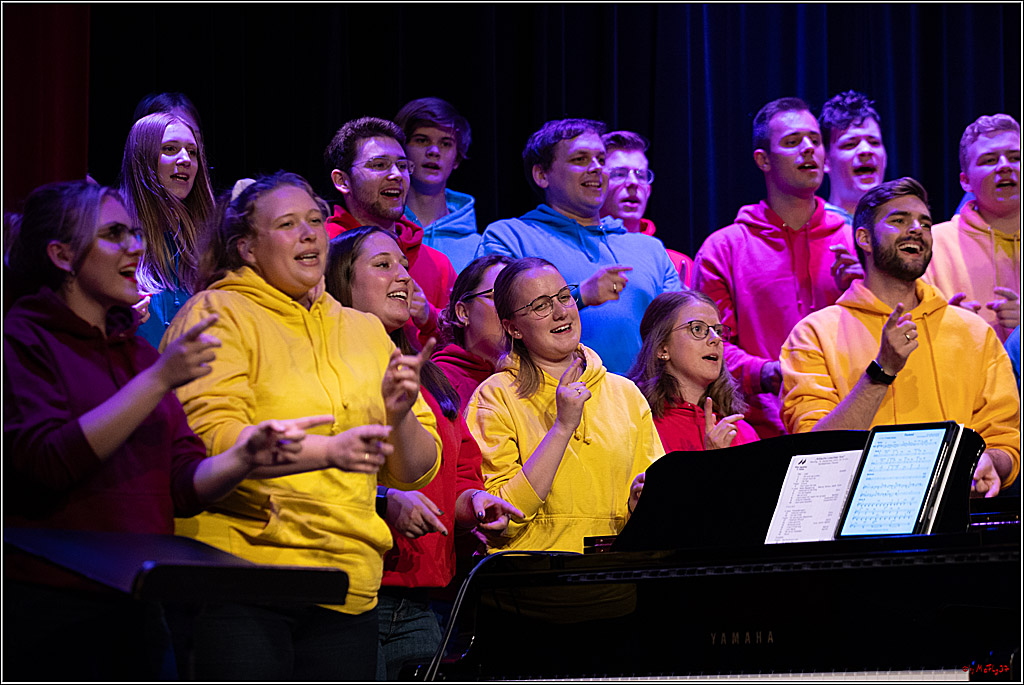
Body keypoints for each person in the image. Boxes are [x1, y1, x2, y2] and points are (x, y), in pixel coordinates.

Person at [3, 180, 329, 681]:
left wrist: (244, 457)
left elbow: (182, 485)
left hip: (140, 604)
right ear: (62, 255)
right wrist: (158, 380)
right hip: (53, 606)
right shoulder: (23, 339)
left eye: (135, 233)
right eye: (114, 234)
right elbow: (47, 461)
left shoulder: (136, 354)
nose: (134, 247)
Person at [162, 172, 442, 680]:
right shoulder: (216, 313)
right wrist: (321, 451)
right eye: (288, 224)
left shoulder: (364, 330)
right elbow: (205, 443)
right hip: (241, 577)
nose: (309, 232)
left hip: (345, 584)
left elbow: (415, 471)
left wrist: (399, 414)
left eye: (314, 219)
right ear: (247, 248)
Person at [325, 226, 521, 680]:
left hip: (423, 596)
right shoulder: (329, 364)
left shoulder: (428, 376)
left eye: (405, 266)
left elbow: (460, 469)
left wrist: (474, 502)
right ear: (341, 281)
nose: (404, 276)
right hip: (354, 587)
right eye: (383, 265)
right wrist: (383, 500)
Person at [780, 177, 1020, 497]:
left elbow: (1005, 439)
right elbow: (815, 452)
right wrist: (881, 371)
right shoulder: (814, 335)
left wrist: (989, 461)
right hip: (855, 518)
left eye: (925, 223)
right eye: (899, 220)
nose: (917, 229)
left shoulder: (974, 333)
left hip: (953, 516)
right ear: (864, 238)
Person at [465, 257, 664, 554]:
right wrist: (562, 427)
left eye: (564, 297)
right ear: (513, 328)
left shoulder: (625, 394)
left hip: (614, 573)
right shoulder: (495, 397)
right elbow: (502, 519)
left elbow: (658, 505)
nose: (560, 313)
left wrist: (640, 506)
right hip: (532, 574)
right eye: (541, 306)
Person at [693, 97, 854, 439]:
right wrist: (765, 372)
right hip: (758, 431)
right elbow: (709, 342)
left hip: (849, 422)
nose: (808, 149)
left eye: (815, 140)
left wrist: (860, 290)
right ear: (763, 160)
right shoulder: (725, 248)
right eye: (793, 141)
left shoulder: (853, 241)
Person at [477, 119, 681, 375]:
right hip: (551, 396)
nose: (596, 168)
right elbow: (492, 325)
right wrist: (580, 296)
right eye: (580, 159)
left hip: (641, 398)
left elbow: (679, 330)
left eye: (601, 159)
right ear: (542, 175)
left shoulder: (649, 248)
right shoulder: (509, 237)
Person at [324, 116, 458, 343]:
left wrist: (430, 318)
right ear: (342, 181)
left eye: (403, 166)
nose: (396, 175)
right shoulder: (322, 252)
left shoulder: (437, 264)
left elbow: (464, 346)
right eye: (379, 165)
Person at [118, 112, 215, 348]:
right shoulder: (115, 242)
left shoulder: (208, 246)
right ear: (143, 159)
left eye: (192, 152)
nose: (185, 159)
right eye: (170, 149)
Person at [923, 114, 1020, 342]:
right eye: (989, 160)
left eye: (1015, 157)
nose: (1005, 166)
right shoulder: (932, 244)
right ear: (965, 181)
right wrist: (944, 324)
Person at [628, 291, 759, 452]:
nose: (716, 339)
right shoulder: (639, 424)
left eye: (718, 331)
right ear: (662, 348)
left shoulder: (742, 432)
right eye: (697, 329)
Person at [395, 97, 480, 273]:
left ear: (457, 158)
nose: (433, 151)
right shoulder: (382, 232)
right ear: (402, 150)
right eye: (422, 140)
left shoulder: (480, 248)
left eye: (445, 144)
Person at [599, 130, 695, 286]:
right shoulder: (581, 253)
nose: (633, 182)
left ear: (648, 191)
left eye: (641, 175)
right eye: (619, 174)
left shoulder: (678, 264)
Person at [434, 254, 515, 411]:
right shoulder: (438, 382)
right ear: (463, 312)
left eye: (518, 300)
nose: (512, 309)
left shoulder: (535, 378)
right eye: (499, 297)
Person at [818, 90, 888, 227]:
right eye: (850, 144)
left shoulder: (903, 227)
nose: (866, 150)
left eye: (874, 142)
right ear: (824, 160)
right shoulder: (813, 228)